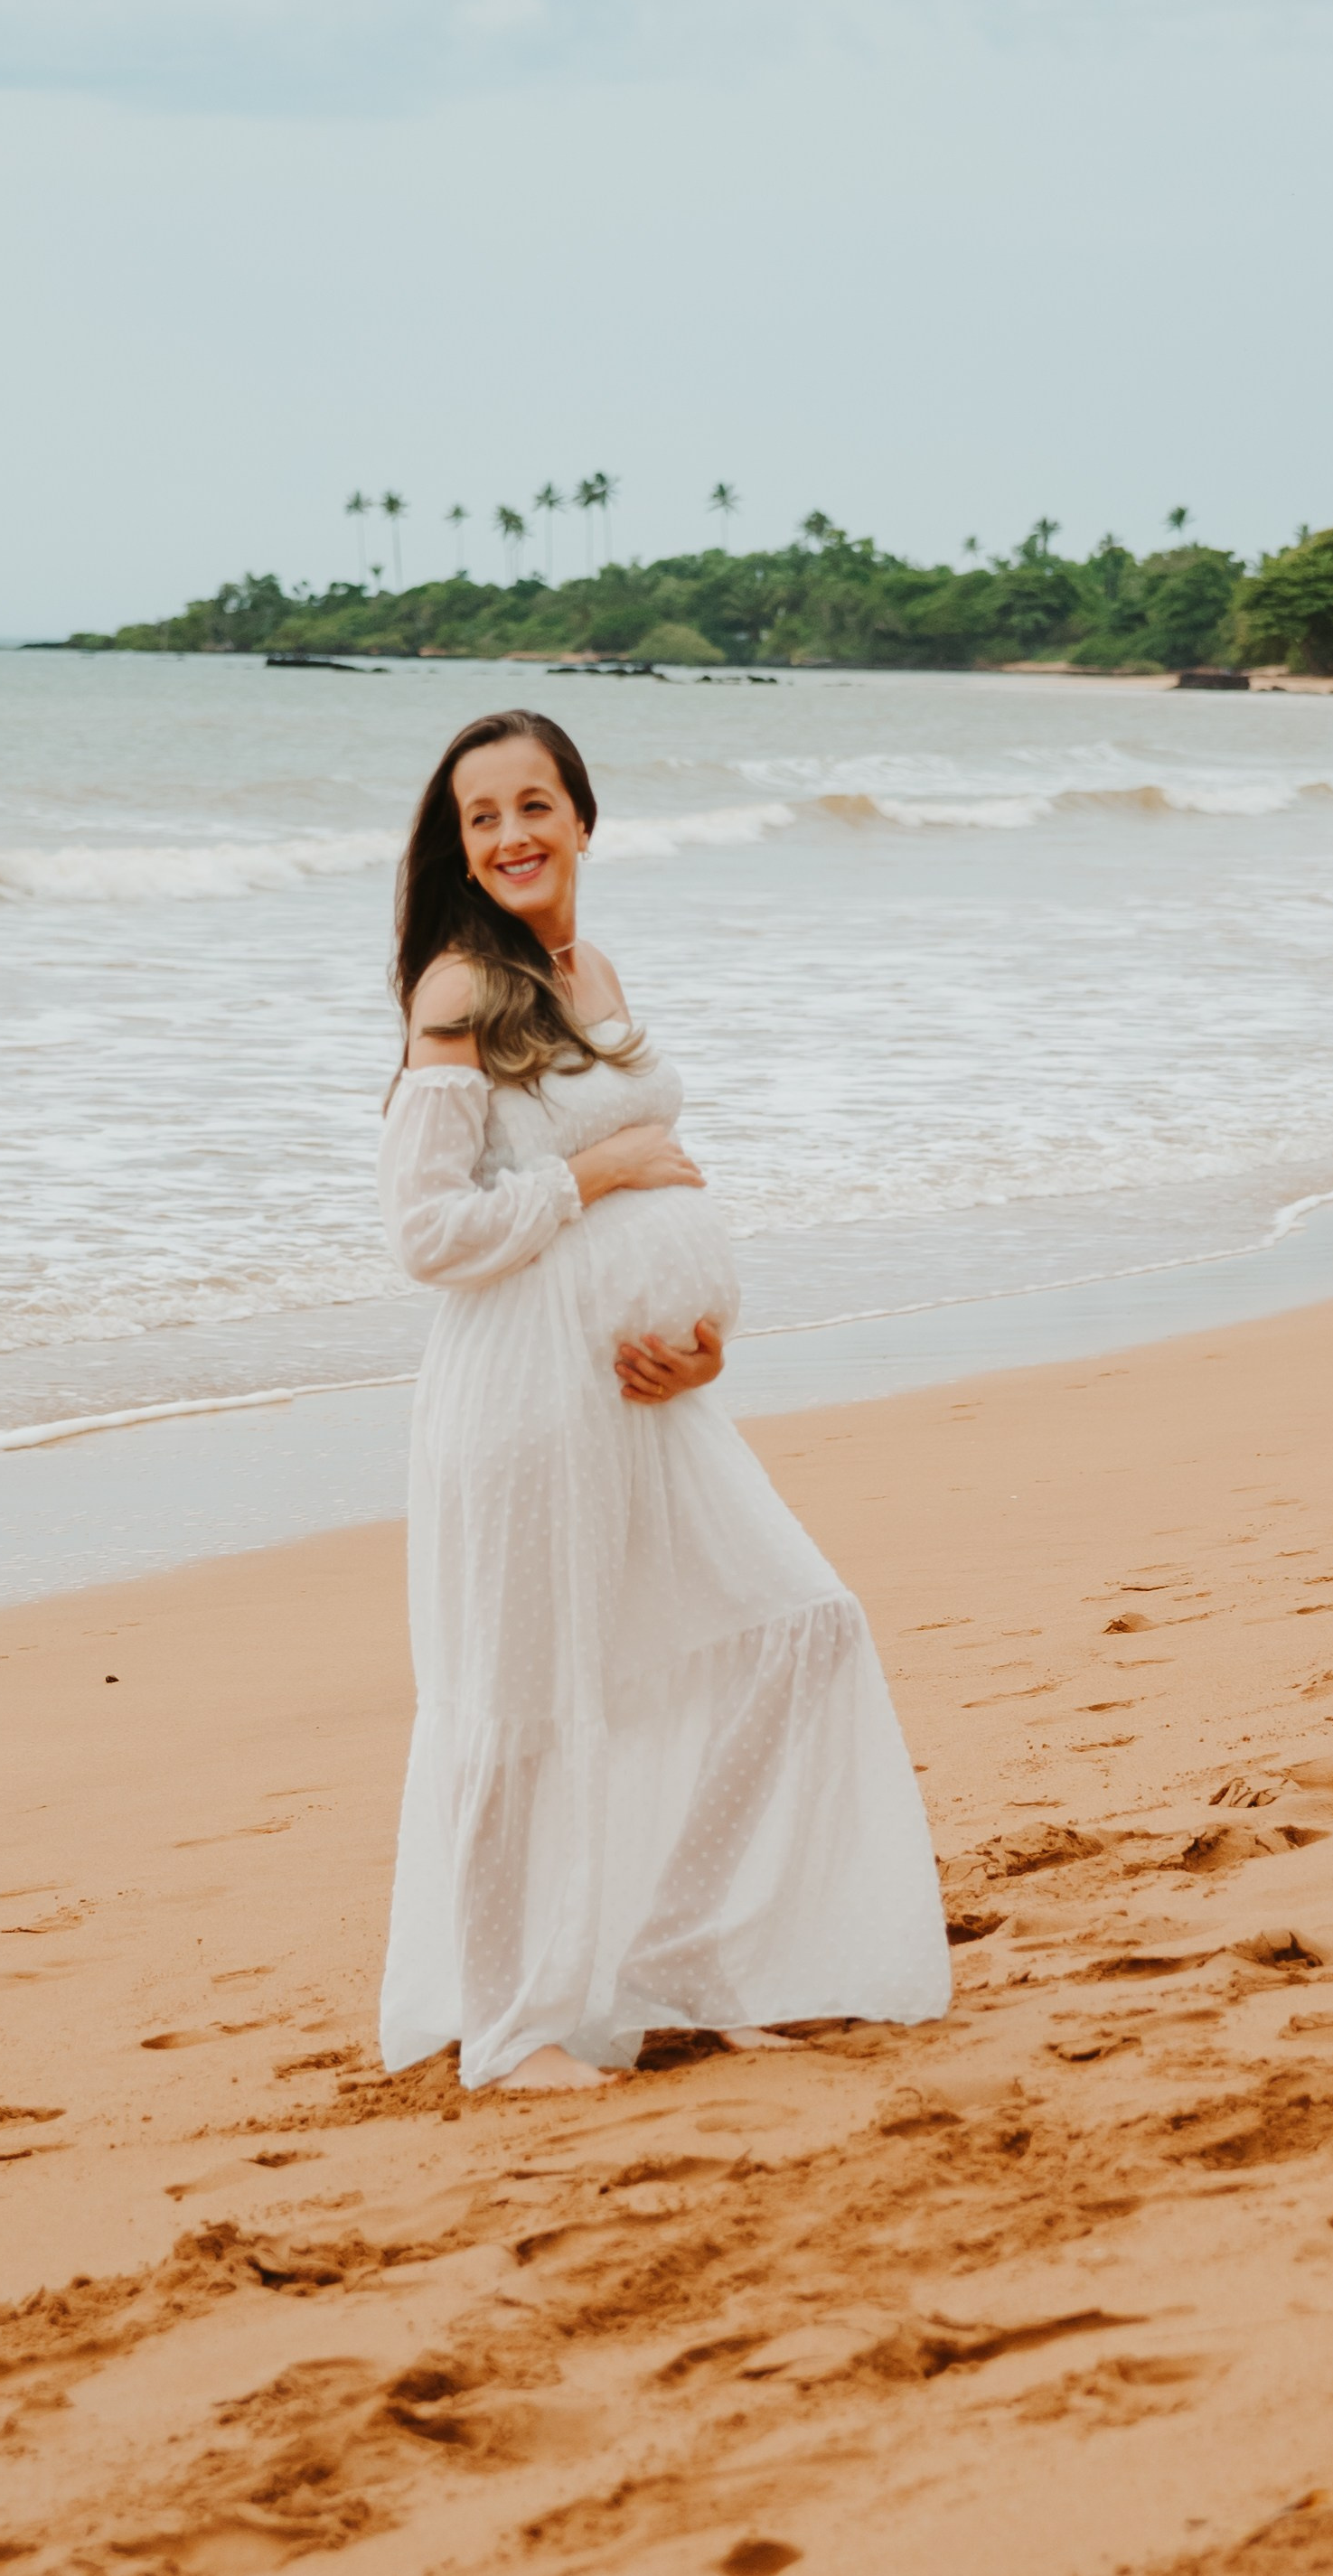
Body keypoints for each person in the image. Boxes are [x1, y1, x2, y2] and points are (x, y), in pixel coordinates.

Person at [376, 707, 950, 2092]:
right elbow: (427, 1232)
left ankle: (678, 1955)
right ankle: (510, 2030)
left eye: (533, 804)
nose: (511, 834)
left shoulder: (591, 969)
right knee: (522, 1705)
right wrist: (599, 1174)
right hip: (522, 1398)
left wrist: (703, 1346)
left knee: (796, 1626)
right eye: (481, 817)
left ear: (581, 816)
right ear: (459, 846)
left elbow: (659, 1190)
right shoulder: (458, 990)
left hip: (645, 1400)